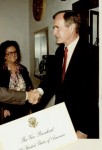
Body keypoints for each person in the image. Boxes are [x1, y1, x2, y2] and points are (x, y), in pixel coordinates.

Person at [36, 10, 99, 139]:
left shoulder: (93, 54)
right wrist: (39, 92)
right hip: (62, 120)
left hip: (81, 125)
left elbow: (93, 95)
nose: (54, 32)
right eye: (54, 28)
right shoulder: (60, 51)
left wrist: (83, 130)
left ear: (71, 28)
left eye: (57, 28)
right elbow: (52, 80)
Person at [0, 40, 34, 123]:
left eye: (15, 52)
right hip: (8, 111)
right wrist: (2, 109)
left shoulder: (23, 69)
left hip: (23, 108)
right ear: (4, 55)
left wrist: (30, 108)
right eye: (10, 53)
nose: (14, 54)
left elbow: (29, 88)